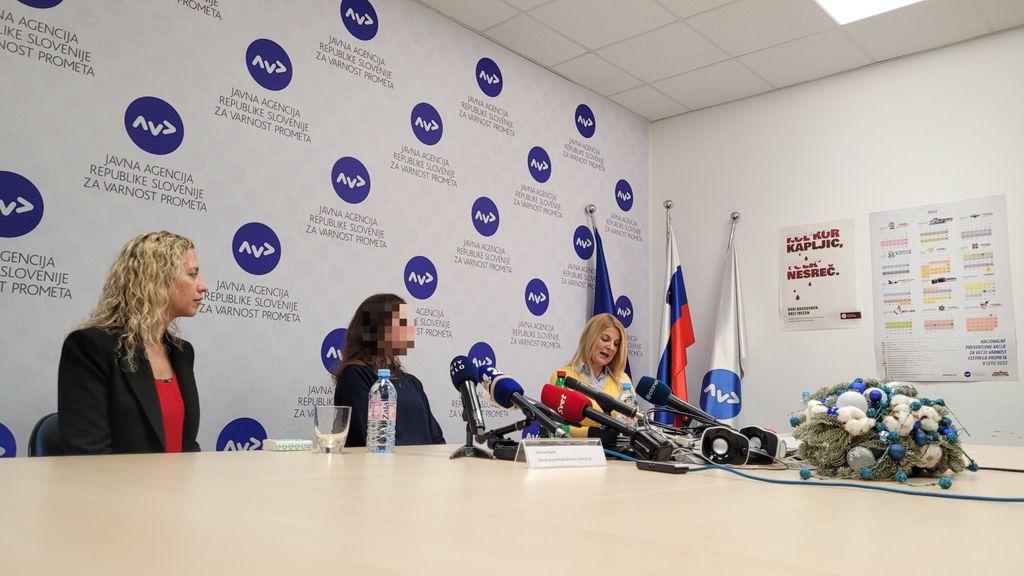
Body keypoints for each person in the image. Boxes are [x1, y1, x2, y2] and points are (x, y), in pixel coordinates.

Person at [58, 231, 208, 455]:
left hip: (178, 479)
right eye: (192, 274)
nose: (203, 285)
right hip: (114, 479)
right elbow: (88, 454)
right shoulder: (90, 347)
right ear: (157, 280)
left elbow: (187, 446)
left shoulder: (182, 352)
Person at [333, 293, 446, 447]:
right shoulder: (355, 376)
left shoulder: (412, 382)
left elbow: (437, 438)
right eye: (402, 323)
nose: (410, 329)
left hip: (424, 462)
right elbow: (374, 439)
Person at [549, 313, 631, 439]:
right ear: (590, 338)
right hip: (576, 449)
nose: (610, 347)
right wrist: (589, 433)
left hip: (616, 449)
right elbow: (554, 425)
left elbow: (632, 421)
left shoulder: (623, 379)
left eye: (616, 344)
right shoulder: (563, 377)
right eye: (605, 339)